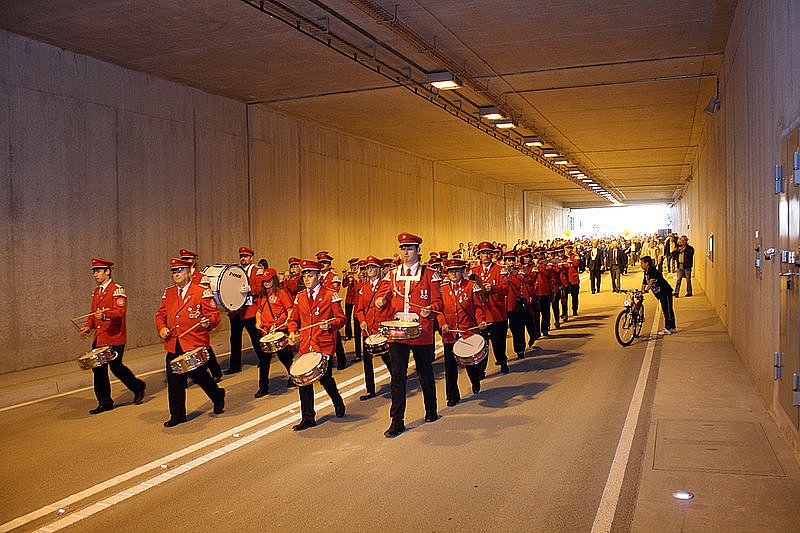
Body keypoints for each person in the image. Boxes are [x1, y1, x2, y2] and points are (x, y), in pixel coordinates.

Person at [375, 232, 443, 437]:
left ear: (418, 251)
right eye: (403, 248)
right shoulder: (393, 274)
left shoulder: (430, 274)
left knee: (424, 372)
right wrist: (380, 300)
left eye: (410, 248)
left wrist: (429, 309)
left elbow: (439, 303)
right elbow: (383, 293)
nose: (405, 252)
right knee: (397, 376)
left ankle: (431, 410)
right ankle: (397, 420)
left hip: (421, 331)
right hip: (397, 332)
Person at [155, 258, 225, 427]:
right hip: (174, 343)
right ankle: (178, 415)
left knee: (200, 375)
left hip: (193, 343)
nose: (176, 274)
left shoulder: (201, 291)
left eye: (179, 271)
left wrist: (208, 322)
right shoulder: (169, 293)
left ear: (188, 272)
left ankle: (217, 395)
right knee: (174, 380)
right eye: (174, 271)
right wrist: (162, 328)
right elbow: (160, 315)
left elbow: (215, 315)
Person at [80, 258, 146, 414]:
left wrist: (104, 316)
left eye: (98, 271)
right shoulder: (97, 292)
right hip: (100, 337)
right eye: (94, 272)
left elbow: (119, 312)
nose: (95, 275)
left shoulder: (117, 290)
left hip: (114, 337)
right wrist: (88, 326)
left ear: (107, 271)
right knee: (98, 369)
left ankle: (137, 387)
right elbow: (92, 313)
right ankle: (105, 402)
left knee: (116, 367)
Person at [287, 259, 347, 430]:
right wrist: (292, 331)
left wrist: (331, 325)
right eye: (304, 276)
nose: (306, 279)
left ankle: (337, 401)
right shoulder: (299, 297)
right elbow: (293, 319)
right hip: (306, 345)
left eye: (310, 275)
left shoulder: (330, 295)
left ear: (318, 276)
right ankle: (308, 417)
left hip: (324, 345)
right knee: (303, 381)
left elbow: (341, 319)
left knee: (325, 379)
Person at [439, 259, 488, 406]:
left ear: (462, 271)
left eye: (456, 271)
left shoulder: (471, 286)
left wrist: (481, 321)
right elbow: (439, 310)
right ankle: (452, 396)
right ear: (447, 273)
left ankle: (475, 379)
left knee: (470, 363)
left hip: (468, 331)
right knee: (450, 367)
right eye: (450, 271)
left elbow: (479, 307)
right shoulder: (442, 289)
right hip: (450, 333)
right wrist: (442, 324)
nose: (454, 274)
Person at [179, 248, 222, 381]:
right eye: (184, 259)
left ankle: (215, 372)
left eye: (188, 259)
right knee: (185, 345)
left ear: (194, 261)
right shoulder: (181, 277)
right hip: (186, 316)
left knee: (203, 346)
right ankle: (186, 373)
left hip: (198, 315)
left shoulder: (201, 277)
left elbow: (206, 297)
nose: (186, 262)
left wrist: (206, 317)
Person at [355, 256, 394, 400]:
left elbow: (392, 306)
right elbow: (359, 309)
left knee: (386, 356)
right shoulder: (363, 288)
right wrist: (362, 321)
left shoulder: (386, 286)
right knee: (367, 360)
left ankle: (397, 379)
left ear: (379, 270)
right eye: (368, 268)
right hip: (368, 329)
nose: (369, 270)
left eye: (372, 268)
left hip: (381, 328)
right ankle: (370, 389)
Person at [253, 268, 295, 397]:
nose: (266, 283)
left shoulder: (281, 293)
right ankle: (263, 387)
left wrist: (286, 323)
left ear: (274, 280)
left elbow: (290, 310)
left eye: (268, 280)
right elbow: (259, 312)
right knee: (264, 360)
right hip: (266, 332)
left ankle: (293, 376)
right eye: (264, 281)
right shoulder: (262, 295)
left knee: (285, 357)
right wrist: (258, 321)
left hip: (279, 330)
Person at [471, 241, 510, 374]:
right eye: (483, 253)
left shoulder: (500, 269)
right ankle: (481, 370)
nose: (486, 256)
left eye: (488, 253)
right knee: (481, 343)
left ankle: (502, 360)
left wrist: (493, 288)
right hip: (481, 313)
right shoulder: (474, 271)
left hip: (497, 312)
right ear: (479, 255)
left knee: (498, 342)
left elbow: (506, 289)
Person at [225, 246, 264, 375]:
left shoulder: (257, 271)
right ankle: (235, 365)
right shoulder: (236, 271)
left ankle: (264, 360)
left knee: (255, 337)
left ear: (251, 258)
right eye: (241, 256)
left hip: (250, 309)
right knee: (234, 338)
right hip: (237, 310)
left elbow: (260, 288)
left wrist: (250, 289)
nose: (243, 259)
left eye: (246, 257)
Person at [317, 252, 348, 370]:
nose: (322, 265)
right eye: (320, 263)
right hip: (319, 309)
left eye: (325, 263)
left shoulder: (333, 276)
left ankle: (341, 359)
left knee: (335, 335)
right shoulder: (317, 275)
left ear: (329, 265)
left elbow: (334, 289)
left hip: (330, 307)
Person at [640, 255, 677, 335]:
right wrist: (641, 290)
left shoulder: (652, 270)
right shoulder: (646, 272)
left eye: (642, 263)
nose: (641, 265)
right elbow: (644, 282)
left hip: (665, 291)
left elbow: (651, 281)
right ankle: (672, 327)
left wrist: (646, 290)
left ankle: (669, 328)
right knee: (667, 309)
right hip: (660, 293)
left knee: (667, 309)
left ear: (647, 263)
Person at [503, 251, 530, 359]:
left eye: (512, 260)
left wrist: (509, 275)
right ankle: (502, 356)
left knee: (517, 329)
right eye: (508, 260)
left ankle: (520, 349)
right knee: (502, 332)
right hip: (503, 306)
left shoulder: (519, 271)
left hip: (514, 304)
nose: (511, 262)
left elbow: (519, 283)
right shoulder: (501, 271)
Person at [562, 244, 582, 316]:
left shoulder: (575, 256)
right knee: (564, 297)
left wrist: (570, 261)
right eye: (567, 248)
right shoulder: (562, 257)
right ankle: (565, 312)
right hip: (565, 280)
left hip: (574, 279)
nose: (569, 249)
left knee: (575, 296)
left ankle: (574, 309)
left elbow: (576, 264)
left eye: (570, 248)